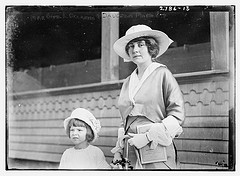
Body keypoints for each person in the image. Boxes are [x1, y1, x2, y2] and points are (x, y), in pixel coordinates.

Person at [111, 24, 185, 169]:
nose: (135, 50)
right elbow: (125, 120)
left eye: (141, 44)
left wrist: (147, 137)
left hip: (155, 147)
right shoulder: (127, 82)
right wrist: (119, 150)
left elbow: (177, 115)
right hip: (130, 148)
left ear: (151, 48)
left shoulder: (163, 74)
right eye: (131, 46)